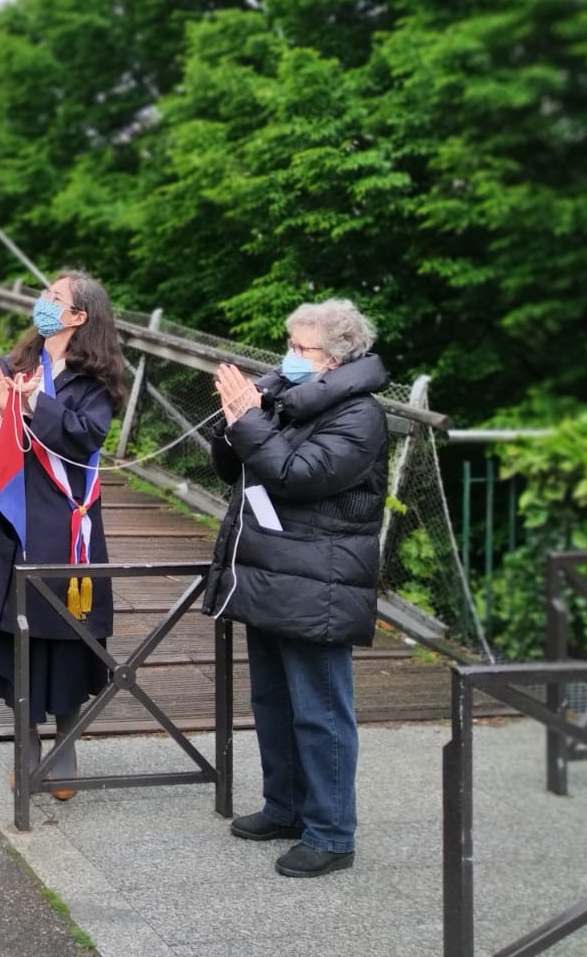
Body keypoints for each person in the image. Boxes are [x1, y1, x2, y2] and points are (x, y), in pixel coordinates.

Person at [204, 298, 388, 878]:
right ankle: (285, 807)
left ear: (333, 359)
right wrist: (233, 421)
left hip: (320, 578)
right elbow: (238, 467)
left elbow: (297, 476)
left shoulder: (359, 415)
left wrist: (250, 418)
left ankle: (332, 833)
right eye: (289, 343)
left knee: (320, 710)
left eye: (301, 348)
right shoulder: (289, 400)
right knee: (274, 701)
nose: (289, 355)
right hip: (270, 568)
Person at [0, 269, 127, 799]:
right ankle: (25, 743)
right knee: (10, 633)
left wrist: (28, 405)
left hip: (64, 520)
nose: (44, 303)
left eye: (57, 298)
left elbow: (84, 435)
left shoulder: (96, 380)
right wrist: (0, 417)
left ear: (79, 317)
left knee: (66, 632)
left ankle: (65, 743)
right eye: (45, 294)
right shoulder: (20, 359)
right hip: (9, 516)